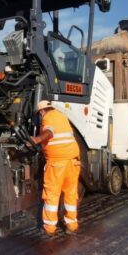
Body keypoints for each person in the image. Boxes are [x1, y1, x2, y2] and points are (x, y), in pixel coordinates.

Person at [30, 100, 81, 239]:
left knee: (52, 194)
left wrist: (37, 139)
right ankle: (72, 225)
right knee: (70, 193)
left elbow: (50, 132)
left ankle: (50, 227)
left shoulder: (48, 117)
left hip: (57, 163)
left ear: (41, 112)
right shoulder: (61, 116)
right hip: (73, 161)